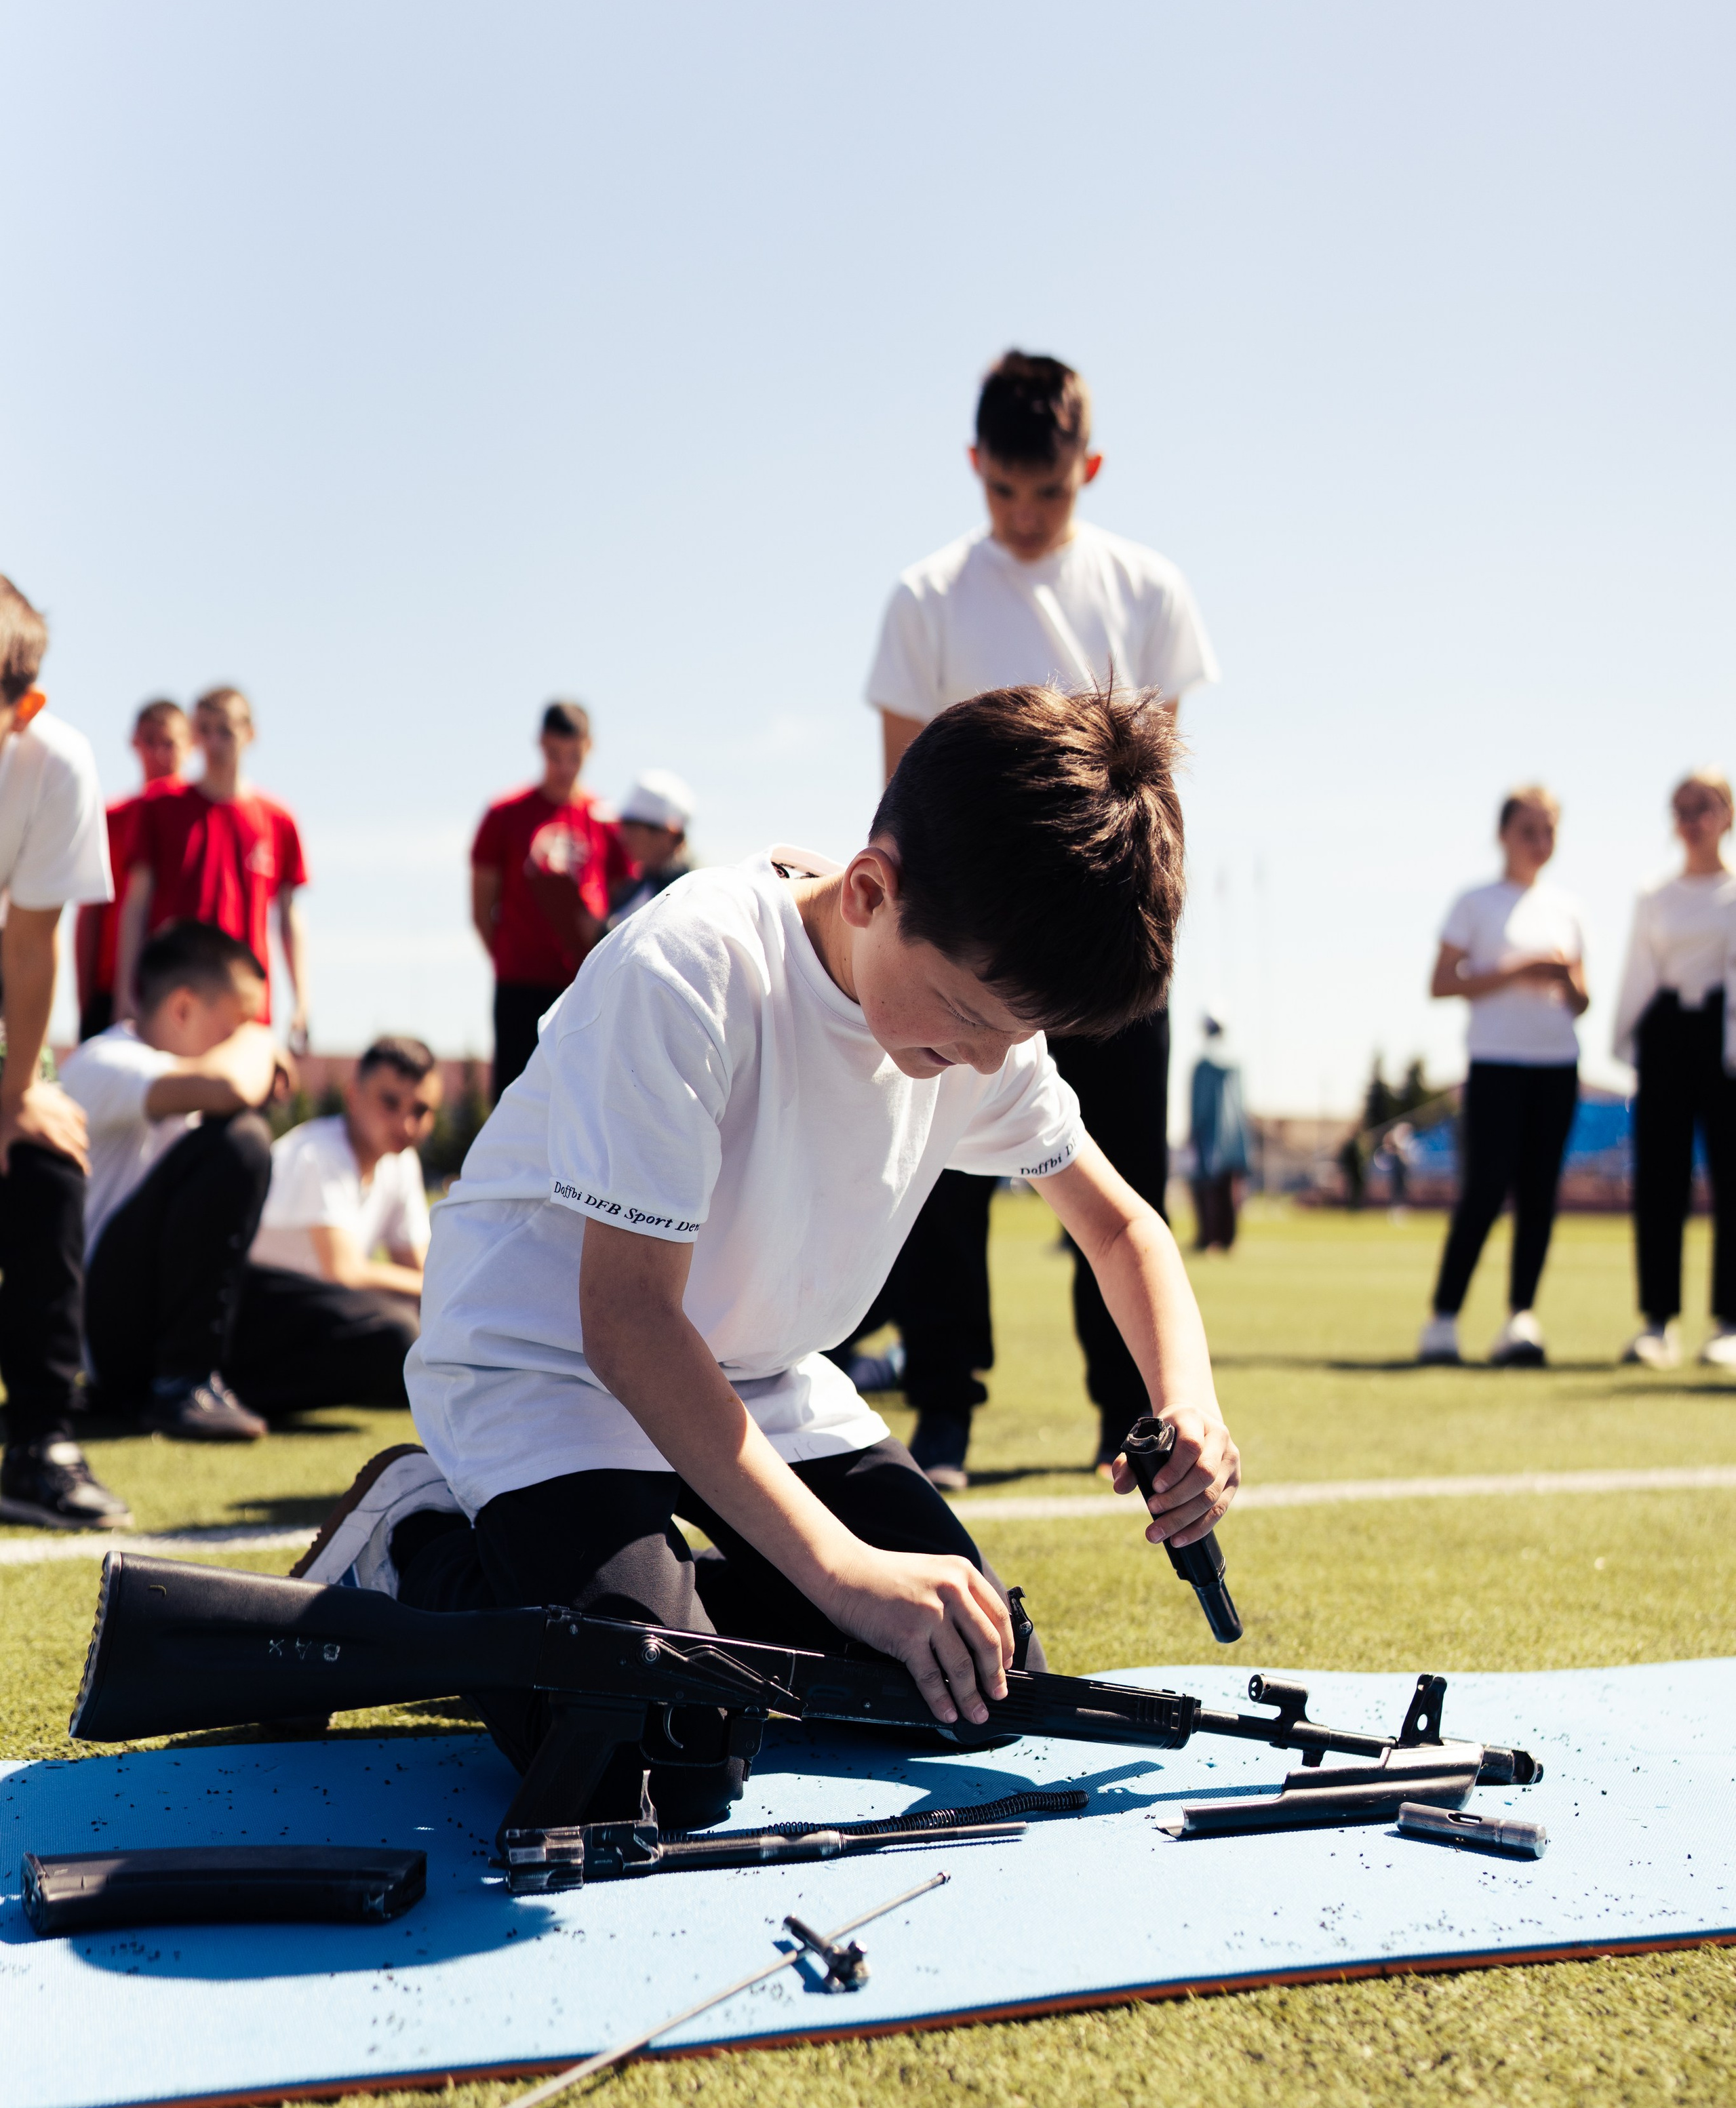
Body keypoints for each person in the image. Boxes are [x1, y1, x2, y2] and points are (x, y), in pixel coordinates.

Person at [291, 685, 1238, 1829]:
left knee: (972, 1680)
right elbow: (631, 1323)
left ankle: (646, 1602)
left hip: (759, 1377)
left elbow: (1121, 1226)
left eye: (1018, 1037)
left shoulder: (975, 1023)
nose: (990, 1067)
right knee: (650, 1754)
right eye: (970, 1023)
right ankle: (417, 1536)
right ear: (874, 889)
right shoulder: (688, 970)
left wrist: (1188, 1407)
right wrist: (843, 1574)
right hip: (552, 1368)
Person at [863, 349, 1220, 1484]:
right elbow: (902, 795)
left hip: (1103, 933)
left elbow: (1158, 782)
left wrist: (1146, 934)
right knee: (937, 1174)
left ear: (1089, 467)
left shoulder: (1149, 591)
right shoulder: (927, 598)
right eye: (1003, 491)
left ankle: (1136, 1414)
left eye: (1049, 492)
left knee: (1116, 1178)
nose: (1023, 516)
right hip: (968, 939)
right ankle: (945, 1404)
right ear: (974, 467)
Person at [0, 577, 130, 1530]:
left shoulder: (54, 768)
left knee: (46, 1150)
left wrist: (15, 1096)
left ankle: (39, 1441)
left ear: (24, 707)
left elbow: (30, 941)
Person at [60, 921, 281, 1439]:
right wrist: (263, 1041)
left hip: (168, 1307)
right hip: (105, 1327)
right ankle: (181, 1386)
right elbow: (231, 1085)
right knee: (242, 1138)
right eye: (237, 1026)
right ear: (182, 1008)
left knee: (380, 1334)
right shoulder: (106, 1059)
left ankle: (206, 1379)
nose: (245, 1042)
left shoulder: (180, 1081)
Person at [1416, 786, 1587, 1368]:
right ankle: (1443, 1318)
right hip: (1495, 1064)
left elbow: (1582, 998)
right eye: (1529, 829)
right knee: (1485, 1188)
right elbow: (1442, 982)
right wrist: (1518, 968)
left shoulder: (1567, 907)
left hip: (1558, 1065)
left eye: (1550, 830)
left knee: (1539, 1193)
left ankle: (1521, 1317)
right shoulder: (1476, 903)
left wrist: (1565, 979)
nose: (1540, 842)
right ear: (1504, 833)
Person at [231, 1036, 439, 1416]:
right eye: (390, 1102)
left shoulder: (401, 1163)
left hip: (313, 1314)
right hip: (247, 1307)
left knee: (427, 1344)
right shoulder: (320, 1152)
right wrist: (443, 1287)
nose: (407, 1124)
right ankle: (235, 1389)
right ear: (353, 1096)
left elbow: (418, 1273)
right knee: (400, 1335)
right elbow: (344, 1271)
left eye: (422, 1110)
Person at [1611, 769, 1736, 1370]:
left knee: (1733, 1180)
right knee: (1660, 1180)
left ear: (1727, 816)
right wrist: (1631, 1043)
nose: (1691, 820)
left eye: (1704, 807)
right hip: (1666, 1036)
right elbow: (1639, 972)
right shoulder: (1653, 894)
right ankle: (1656, 1323)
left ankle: (1730, 1323)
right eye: (1681, 809)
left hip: (1726, 1037)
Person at [113, 688, 311, 1045]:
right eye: (204, 730)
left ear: (250, 734)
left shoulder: (277, 820)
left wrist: (302, 1002)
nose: (214, 742)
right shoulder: (160, 807)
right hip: (173, 1001)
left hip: (245, 1010)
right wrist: (125, 992)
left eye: (225, 730)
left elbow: (289, 918)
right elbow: (135, 905)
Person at [471, 702, 632, 1100]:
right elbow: (481, 907)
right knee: (516, 1097)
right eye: (554, 755)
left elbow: (625, 906)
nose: (564, 766)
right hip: (519, 984)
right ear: (541, 745)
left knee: (581, 1100)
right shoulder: (504, 814)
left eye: (573, 756)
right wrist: (510, 954)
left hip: (583, 984)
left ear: (589, 748)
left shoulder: (607, 821)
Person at [75, 699, 191, 1040]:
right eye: (149, 741)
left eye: (169, 742)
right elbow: (90, 913)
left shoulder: (201, 817)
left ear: (189, 745)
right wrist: (86, 1001)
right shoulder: (112, 819)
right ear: (134, 744)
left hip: (179, 984)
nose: (158, 753)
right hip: (113, 987)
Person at [1188, 1016, 1249, 1252]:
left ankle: (1208, 1238)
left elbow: (1200, 1105)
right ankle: (1228, 1239)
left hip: (1209, 1137)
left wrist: (1194, 1132)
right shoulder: (1236, 1063)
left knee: (1205, 1187)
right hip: (1235, 1138)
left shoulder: (1203, 1065)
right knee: (1228, 1190)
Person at [607, 771, 694, 929]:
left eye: (633, 826)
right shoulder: (635, 886)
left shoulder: (691, 894)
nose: (623, 835)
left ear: (669, 834)